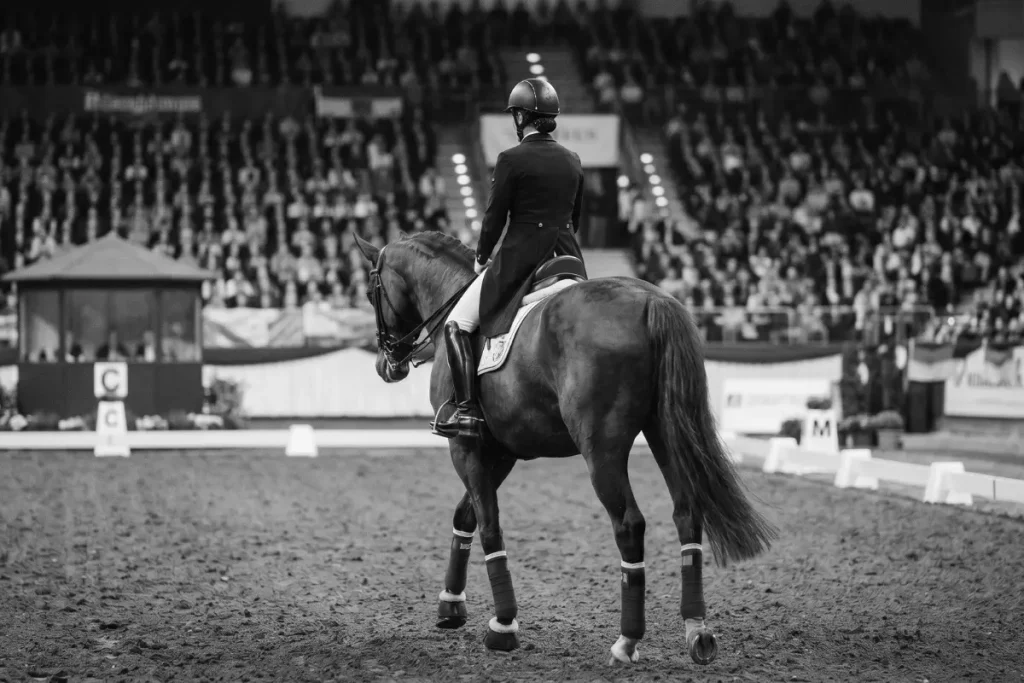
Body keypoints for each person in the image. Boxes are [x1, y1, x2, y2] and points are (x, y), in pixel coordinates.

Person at [432, 78, 587, 440]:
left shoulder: (511, 159)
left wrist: (482, 257)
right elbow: (575, 219)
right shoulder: (573, 160)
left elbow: (495, 217)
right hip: (567, 258)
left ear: (521, 117)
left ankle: (467, 410)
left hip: (521, 258)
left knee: (455, 324)